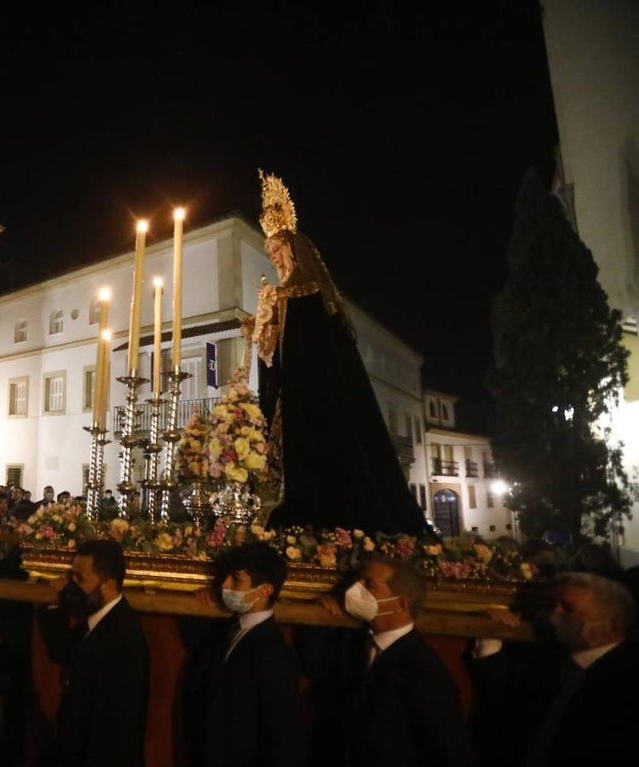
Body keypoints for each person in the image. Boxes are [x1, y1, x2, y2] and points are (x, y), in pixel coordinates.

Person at [253, 171, 429, 536]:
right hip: (295, 387)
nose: (273, 258)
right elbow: (274, 349)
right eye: (269, 253)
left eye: (277, 250)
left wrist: (275, 307)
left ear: (292, 247)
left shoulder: (307, 288)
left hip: (316, 388)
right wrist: (262, 323)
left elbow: (308, 339)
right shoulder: (284, 293)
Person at [308, 555, 475, 767]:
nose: (356, 589)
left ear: (401, 603)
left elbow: (449, 751)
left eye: (369, 584)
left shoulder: (425, 670)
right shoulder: (354, 645)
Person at [468, 570, 639, 767]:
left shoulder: (628, 679)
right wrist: (490, 630)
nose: (553, 614)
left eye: (567, 608)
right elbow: (502, 710)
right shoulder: (548, 660)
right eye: (551, 606)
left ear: (610, 626)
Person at [186, 542, 308, 767]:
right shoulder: (229, 629)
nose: (225, 585)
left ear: (265, 590)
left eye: (236, 580)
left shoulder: (274, 653)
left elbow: (284, 735)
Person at [38, 539, 150, 767]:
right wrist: (53, 604)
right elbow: (63, 651)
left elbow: (114, 724)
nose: (72, 586)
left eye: (80, 579)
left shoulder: (122, 636)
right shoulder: (96, 618)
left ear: (107, 586)